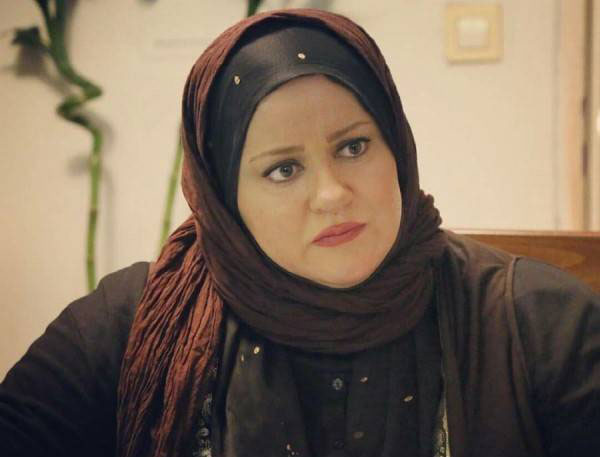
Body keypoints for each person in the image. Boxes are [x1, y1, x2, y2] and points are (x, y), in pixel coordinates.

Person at [1, 8, 599, 457]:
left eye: (354, 146)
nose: (332, 194)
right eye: (283, 169)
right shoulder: (132, 324)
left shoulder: (541, 324)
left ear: (397, 147)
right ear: (224, 200)